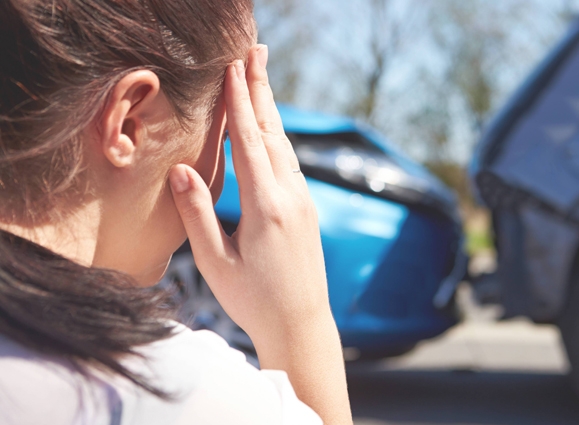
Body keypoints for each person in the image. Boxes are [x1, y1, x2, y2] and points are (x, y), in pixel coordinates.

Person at [0, 0, 353, 424]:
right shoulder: (173, 391)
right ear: (130, 123)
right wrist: (302, 322)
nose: (219, 182)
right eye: (224, 138)